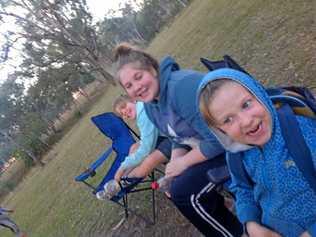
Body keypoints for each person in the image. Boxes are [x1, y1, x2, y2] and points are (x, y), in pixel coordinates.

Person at [113, 43, 243, 237]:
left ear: (152, 69)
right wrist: (175, 162)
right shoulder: (150, 105)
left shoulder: (180, 88)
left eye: (138, 77)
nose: (137, 87)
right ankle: (235, 214)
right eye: (129, 85)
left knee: (185, 193)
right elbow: (177, 136)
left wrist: (184, 162)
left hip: (238, 141)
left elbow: (218, 138)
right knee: (174, 187)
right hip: (211, 146)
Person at [198, 68, 316, 237]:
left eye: (246, 104)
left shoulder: (301, 132)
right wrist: (252, 224)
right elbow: (242, 188)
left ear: (259, 94)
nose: (246, 121)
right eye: (228, 120)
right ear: (220, 131)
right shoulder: (236, 152)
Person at [97, 95, 171, 199]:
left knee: (148, 161)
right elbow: (146, 141)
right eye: (122, 114)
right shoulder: (141, 108)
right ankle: (121, 179)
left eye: (124, 107)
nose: (125, 113)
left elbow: (146, 149)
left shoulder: (143, 114)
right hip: (164, 135)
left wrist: (121, 168)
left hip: (174, 138)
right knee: (134, 147)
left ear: (133, 100)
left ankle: (124, 181)